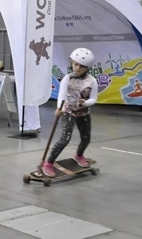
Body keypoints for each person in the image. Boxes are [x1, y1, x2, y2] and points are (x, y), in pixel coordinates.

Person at [42, 48, 99, 177]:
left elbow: (94, 99)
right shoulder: (67, 78)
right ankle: (48, 163)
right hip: (68, 111)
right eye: (75, 64)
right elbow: (62, 95)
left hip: (83, 112)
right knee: (65, 139)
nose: (77, 68)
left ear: (87, 67)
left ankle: (79, 155)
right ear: (72, 63)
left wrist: (85, 103)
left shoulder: (92, 81)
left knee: (86, 139)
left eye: (82, 66)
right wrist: (59, 108)